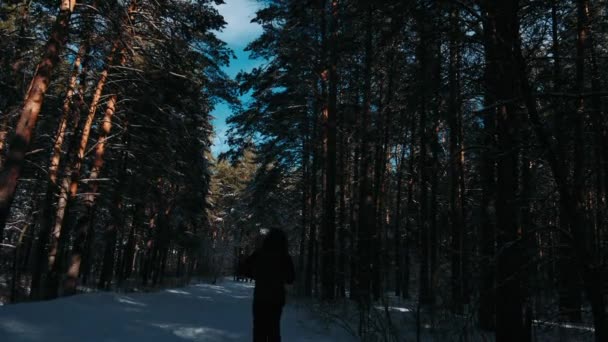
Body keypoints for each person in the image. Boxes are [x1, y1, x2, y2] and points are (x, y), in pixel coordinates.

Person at [239, 229, 295, 342]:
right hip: (277, 299)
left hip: (260, 297)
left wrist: (256, 275)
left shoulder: (259, 254)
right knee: (274, 330)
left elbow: (243, 269)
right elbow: (291, 279)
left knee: (259, 330)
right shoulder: (285, 257)